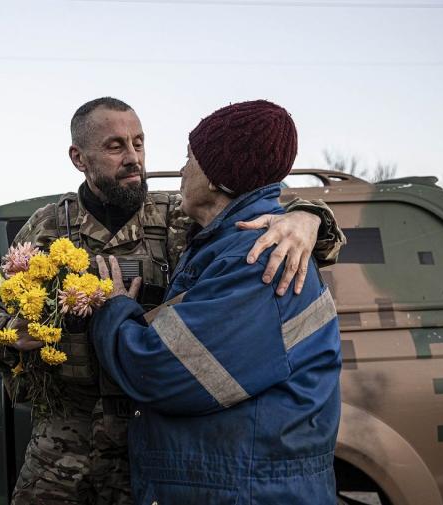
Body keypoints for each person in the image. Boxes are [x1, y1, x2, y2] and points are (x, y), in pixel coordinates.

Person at [0, 97, 344, 504]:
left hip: (154, 454)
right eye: (115, 146)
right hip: (61, 454)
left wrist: (309, 217)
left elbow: (258, 222)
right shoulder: (45, 229)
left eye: (139, 143)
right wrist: (10, 332)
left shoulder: (180, 217)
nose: (133, 158)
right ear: (79, 157)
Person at [92, 100, 342, 504]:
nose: (181, 169)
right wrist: (308, 215)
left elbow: (160, 371)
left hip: (247, 491)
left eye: (190, 157)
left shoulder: (258, 259)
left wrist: (113, 308)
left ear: (214, 176)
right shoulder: (223, 240)